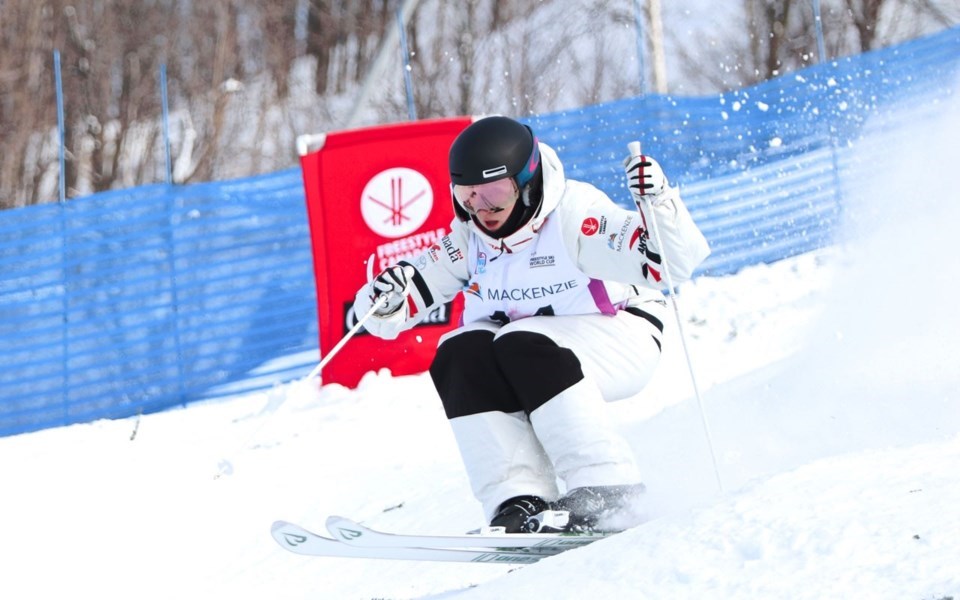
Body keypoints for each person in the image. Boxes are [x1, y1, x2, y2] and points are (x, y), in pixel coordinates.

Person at [353, 115, 710, 533]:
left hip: (622, 334)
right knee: (459, 352)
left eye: (495, 192)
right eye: (468, 195)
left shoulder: (576, 216)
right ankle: (518, 498)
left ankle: (607, 487)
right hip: (536, 350)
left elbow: (674, 263)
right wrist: (383, 297)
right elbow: (389, 310)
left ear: (527, 183)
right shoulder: (470, 237)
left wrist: (660, 205)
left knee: (521, 341)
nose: (482, 208)